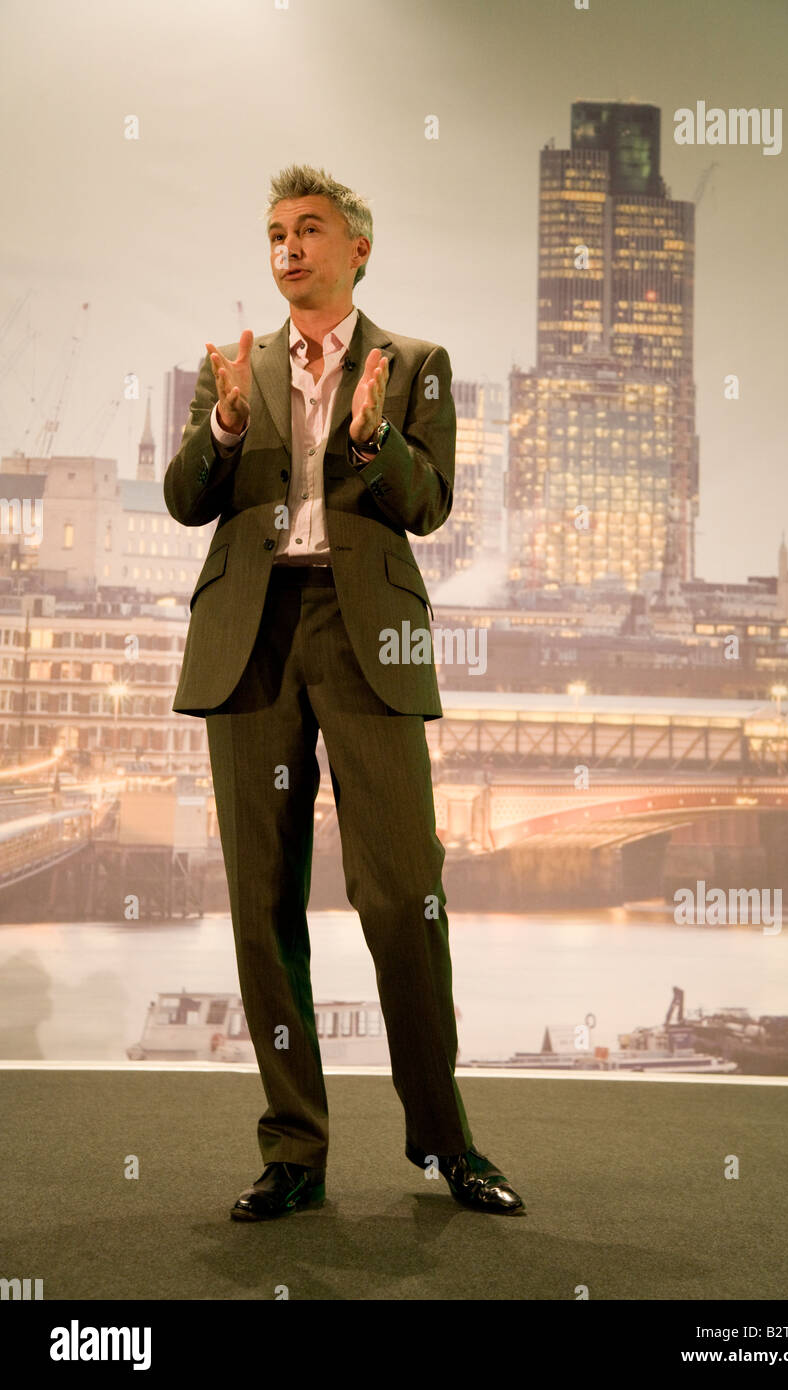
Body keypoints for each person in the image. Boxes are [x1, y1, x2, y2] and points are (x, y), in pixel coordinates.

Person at [163, 165, 524, 1219]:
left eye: (308, 229)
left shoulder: (414, 364)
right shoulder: (227, 368)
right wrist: (226, 427)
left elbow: (428, 506)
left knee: (402, 895)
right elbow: (189, 498)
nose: (287, 247)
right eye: (274, 231)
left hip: (365, 635)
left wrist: (371, 437)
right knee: (260, 902)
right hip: (250, 636)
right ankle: (294, 1153)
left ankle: (444, 1140)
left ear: (355, 248)